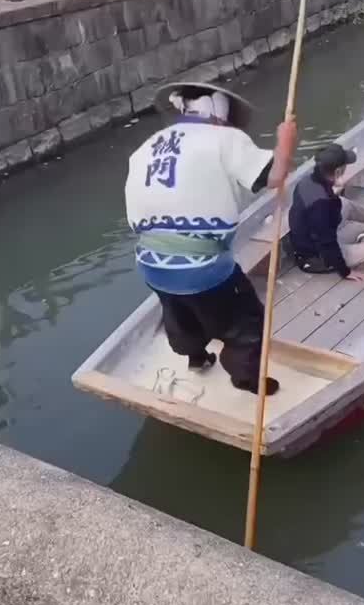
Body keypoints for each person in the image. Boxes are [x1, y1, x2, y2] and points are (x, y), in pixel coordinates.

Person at [125, 82, 295, 397]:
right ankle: (244, 377)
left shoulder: (147, 147)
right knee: (247, 322)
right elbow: (274, 177)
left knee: (179, 309)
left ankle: (196, 357)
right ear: (218, 113)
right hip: (203, 267)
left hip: (150, 263)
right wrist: (285, 142)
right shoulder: (224, 138)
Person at [288, 143, 364, 281]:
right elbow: (327, 243)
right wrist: (345, 272)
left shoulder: (307, 181)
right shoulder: (320, 205)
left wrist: (336, 187)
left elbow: (329, 212)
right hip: (318, 256)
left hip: (311, 236)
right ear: (338, 171)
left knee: (343, 203)